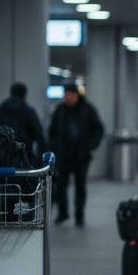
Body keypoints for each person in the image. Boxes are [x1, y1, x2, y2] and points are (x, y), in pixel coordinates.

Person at [47, 82, 104, 226]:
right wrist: (53, 146)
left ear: (76, 95)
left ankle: (79, 215)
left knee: (80, 186)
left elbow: (99, 129)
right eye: (65, 95)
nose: (67, 98)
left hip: (81, 155)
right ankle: (63, 213)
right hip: (63, 155)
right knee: (61, 186)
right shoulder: (60, 110)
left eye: (70, 95)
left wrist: (91, 146)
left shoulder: (87, 109)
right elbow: (52, 131)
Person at [0, 82, 46, 162]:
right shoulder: (29, 112)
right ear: (25, 94)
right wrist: (41, 159)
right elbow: (39, 136)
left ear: (11, 93)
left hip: (0, 156)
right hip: (24, 156)